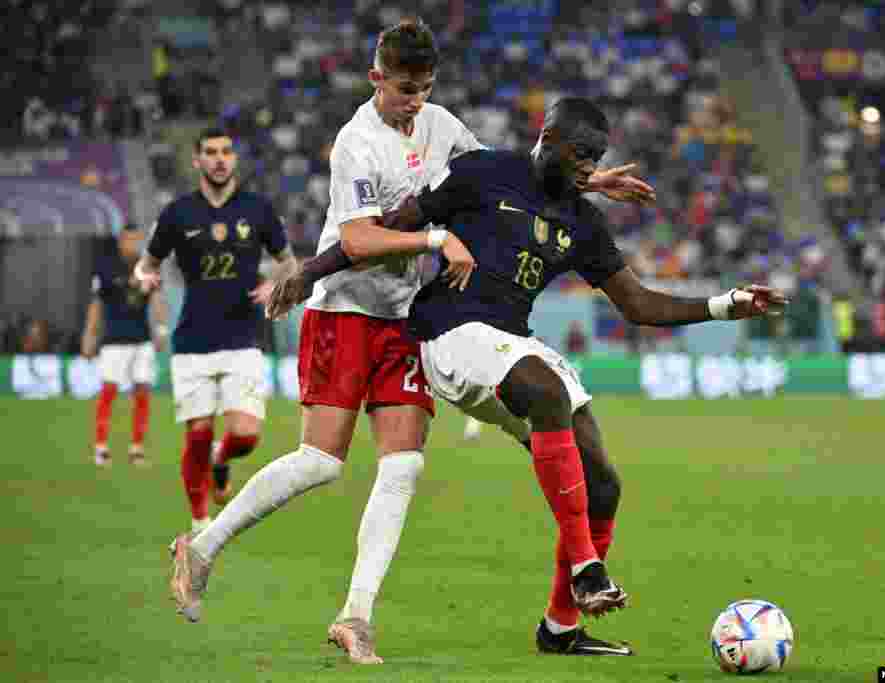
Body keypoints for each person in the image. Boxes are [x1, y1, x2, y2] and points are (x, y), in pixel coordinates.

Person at [166, 17, 655, 664]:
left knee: (405, 464)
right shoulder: (355, 144)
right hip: (343, 310)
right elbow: (362, 239)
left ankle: (355, 615)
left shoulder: (443, 126)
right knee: (322, 462)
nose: (415, 101)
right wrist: (432, 239)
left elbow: (507, 178)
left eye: (424, 88)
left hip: (406, 319)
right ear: (377, 78)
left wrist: (589, 181)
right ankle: (201, 546)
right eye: (404, 89)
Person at [271, 96, 788, 656]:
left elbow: (638, 304)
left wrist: (726, 304)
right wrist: (311, 272)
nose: (588, 165)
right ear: (549, 135)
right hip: (448, 331)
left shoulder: (582, 222)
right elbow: (391, 225)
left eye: (595, 158)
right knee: (543, 388)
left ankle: (561, 629)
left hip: (509, 341)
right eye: (581, 152)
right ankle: (586, 567)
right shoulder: (483, 172)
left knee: (603, 483)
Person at [133, 127, 296, 533]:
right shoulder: (177, 213)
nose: (219, 158)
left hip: (243, 338)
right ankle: (201, 522)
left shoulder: (257, 209)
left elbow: (289, 262)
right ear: (197, 160)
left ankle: (223, 459)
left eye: (226, 151)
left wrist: (276, 283)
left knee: (246, 434)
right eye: (210, 152)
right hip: (191, 341)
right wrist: (143, 277)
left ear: (234, 159)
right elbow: (146, 264)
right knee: (198, 433)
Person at [81, 224, 169, 466]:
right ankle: (101, 447)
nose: (133, 244)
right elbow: (97, 304)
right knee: (108, 392)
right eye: (129, 240)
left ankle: (137, 449)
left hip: (142, 341)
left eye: (136, 240)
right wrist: (89, 335)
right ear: (121, 241)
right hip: (114, 341)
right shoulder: (107, 267)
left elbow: (158, 299)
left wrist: (161, 329)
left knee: (143, 392)